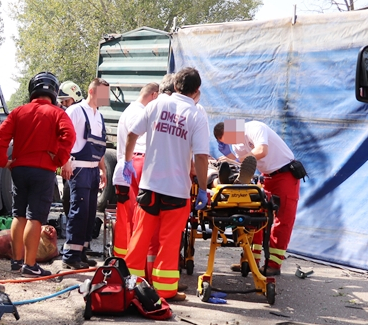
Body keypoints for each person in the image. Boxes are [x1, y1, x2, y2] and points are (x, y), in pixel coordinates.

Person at [123, 67, 210, 301]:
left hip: (149, 186)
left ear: (176, 85)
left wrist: (127, 161)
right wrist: (203, 189)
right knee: (169, 242)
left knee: (140, 237)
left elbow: (132, 135)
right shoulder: (196, 115)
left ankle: (130, 285)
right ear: (196, 90)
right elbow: (201, 157)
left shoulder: (156, 105)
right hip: (176, 191)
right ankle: (164, 290)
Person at [0, 71, 75, 277]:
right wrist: (59, 159)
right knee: (35, 217)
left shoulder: (18, 112)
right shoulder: (58, 113)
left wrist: (3, 162)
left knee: (19, 215)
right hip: (43, 170)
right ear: (54, 91)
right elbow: (69, 135)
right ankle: (30, 266)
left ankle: (16, 262)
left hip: (19, 170)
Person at [213, 119, 302, 276]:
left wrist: (235, 159)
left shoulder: (254, 127)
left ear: (232, 130)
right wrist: (230, 159)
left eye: (227, 139)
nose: (229, 143)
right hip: (266, 176)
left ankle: (274, 264)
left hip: (285, 174)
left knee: (283, 219)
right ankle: (251, 260)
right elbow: (243, 166)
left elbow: (262, 150)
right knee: (255, 218)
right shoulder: (237, 144)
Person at [60, 78, 110, 270]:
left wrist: (103, 170)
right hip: (79, 168)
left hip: (93, 169)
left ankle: (81, 251)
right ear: (91, 91)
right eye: (103, 93)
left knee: (89, 213)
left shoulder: (99, 116)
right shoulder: (75, 111)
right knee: (79, 212)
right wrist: (65, 162)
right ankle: (70, 256)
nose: (105, 98)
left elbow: (100, 146)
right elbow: (63, 137)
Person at [111, 82, 160, 259]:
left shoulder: (130, 110)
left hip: (126, 172)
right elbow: (140, 144)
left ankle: (122, 260)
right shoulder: (139, 113)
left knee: (126, 222)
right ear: (154, 95)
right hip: (131, 171)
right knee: (133, 221)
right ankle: (130, 261)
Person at [57, 81, 84, 218]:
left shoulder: (73, 112)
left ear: (75, 97)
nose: (64, 104)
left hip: (74, 161)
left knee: (71, 198)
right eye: (61, 102)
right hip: (76, 161)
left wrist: (65, 160)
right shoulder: (86, 110)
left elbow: (66, 138)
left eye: (66, 101)